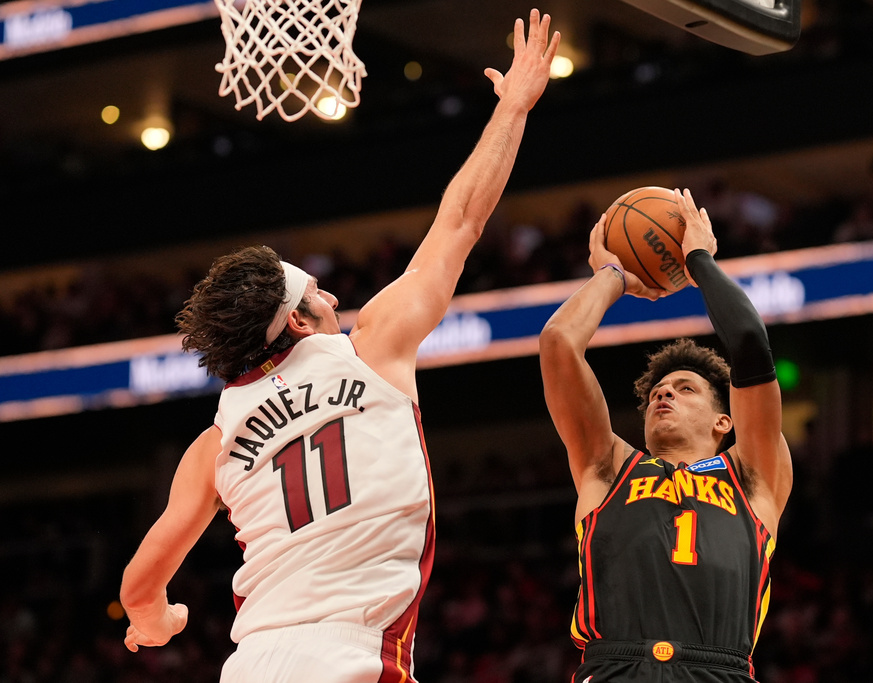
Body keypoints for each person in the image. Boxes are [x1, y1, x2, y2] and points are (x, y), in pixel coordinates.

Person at [119, 10, 560, 683]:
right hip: (351, 660)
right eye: (318, 293)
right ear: (297, 321)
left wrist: (158, 624)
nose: (333, 299)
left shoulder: (213, 444)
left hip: (252, 664)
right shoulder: (371, 347)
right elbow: (463, 219)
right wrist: (515, 107)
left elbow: (138, 587)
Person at [539, 188, 793, 682]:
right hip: (614, 667)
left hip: (718, 671)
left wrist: (698, 259)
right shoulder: (609, 466)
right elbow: (559, 343)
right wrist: (613, 276)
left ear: (725, 421)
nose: (664, 395)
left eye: (684, 389)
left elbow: (748, 343)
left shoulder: (753, 473)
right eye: (658, 390)